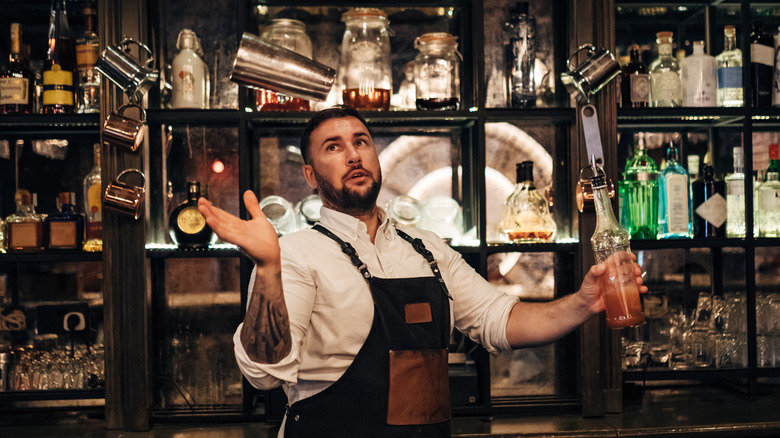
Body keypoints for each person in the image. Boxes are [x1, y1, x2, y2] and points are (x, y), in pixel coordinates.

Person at [197, 105, 647, 438]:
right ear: (312, 176)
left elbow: (499, 318)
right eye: (333, 148)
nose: (353, 155)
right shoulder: (295, 255)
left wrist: (584, 302)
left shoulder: (427, 248)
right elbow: (263, 373)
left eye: (361, 142)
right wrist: (269, 267)